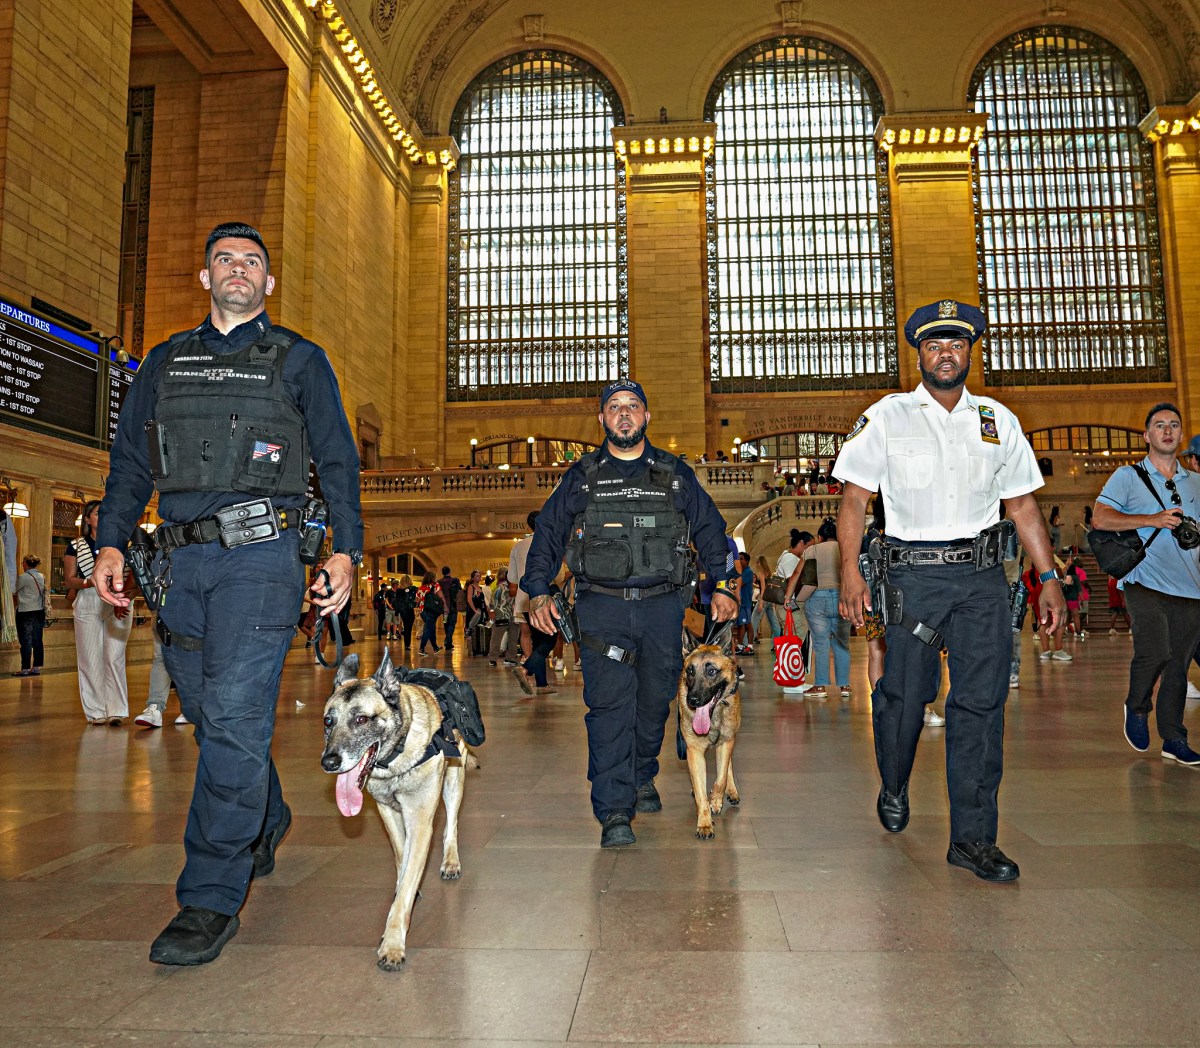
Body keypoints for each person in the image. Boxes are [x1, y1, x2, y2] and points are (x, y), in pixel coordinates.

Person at [91, 222, 362, 966]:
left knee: (237, 720)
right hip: (181, 566)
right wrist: (112, 538)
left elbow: (338, 462)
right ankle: (265, 816)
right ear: (204, 276)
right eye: (223, 260)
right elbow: (128, 464)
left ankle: (208, 898)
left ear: (267, 283)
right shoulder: (164, 362)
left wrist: (347, 551)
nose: (237, 270)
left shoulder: (300, 361)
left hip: (264, 560)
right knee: (211, 719)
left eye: (251, 261)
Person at [835, 299, 1064, 883]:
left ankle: (973, 838)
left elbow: (1022, 505)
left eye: (957, 345)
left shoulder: (995, 419)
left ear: (970, 353)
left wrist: (1050, 577)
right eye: (935, 345)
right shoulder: (888, 415)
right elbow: (855, 499)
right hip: (912, 577)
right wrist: (851, 573)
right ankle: (894, 777)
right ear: (919, 354)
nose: (946, 354)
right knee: (905, 699)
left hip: (982, 580)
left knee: (981, 704)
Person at [523, 379, 739, 848]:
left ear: (646, 418)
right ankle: (614, 809)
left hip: (664, 608)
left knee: (655, 703)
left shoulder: (675, 474)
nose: (624, 415)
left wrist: (723, 585)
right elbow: (549, 534)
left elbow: (711, 531)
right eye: (615, 408)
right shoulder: (581, 476)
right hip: (602, 608)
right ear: (602, 419)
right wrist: (538, 591)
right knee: (609, 708)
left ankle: (642, 775)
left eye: (633, 407)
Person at [1094, 403, 1200, 766]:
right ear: (1147, 435)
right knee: (1155, 650)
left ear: (1181, 435)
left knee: (1178, 666)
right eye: (1159, 425)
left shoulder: (1196, 482)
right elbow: (1101, 518)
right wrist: (1152, 519)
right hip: (1144, 581)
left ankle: (1173, 738)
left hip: (1191, 588)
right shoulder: (1128, 476)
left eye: (1174, 425)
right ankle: (1137, 707)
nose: (1167, 430)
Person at [65, 500, 132, 725]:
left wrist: (124, 598)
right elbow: (69, 580)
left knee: (114, 656)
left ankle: (116, 710)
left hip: (118, 600)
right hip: (89, 599)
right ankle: (96, 711)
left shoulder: (121, 545)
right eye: (96, 513)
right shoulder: (76, 545)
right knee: (90, 657)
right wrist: (92, 582)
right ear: (87, 519)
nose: (101, 517)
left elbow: (132, 577)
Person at [790, 517, 850, 700]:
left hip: (817, 599)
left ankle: (820, 686)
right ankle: (845, 686)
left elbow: (797, 573)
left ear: (820, 536)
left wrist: (788, 597)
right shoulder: (845, 548)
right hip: (842, 599)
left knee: (821, 644)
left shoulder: (812, 549)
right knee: (841, 643)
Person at [13, 553, 47, 676]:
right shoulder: (42, 576)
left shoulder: (23, 578)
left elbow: (14, 590)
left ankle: (25, 668)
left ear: (26, 564)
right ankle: (37, 667)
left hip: (25, 612)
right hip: (39, 611)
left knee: (26, 640)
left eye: (23, 563)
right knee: (37, 639)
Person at [417, 570, 444, 656]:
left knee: (431, 628)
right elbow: (441, 596)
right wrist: (445, 606)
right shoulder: (435, 586)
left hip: (422, 611)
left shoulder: (421, 588)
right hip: (432, 610)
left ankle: (435, 647)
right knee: (428, 629)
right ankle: (421, 649)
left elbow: (417, 600)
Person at [733, 551, 756, 655]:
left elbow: (739, 584)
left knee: (747, 624)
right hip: (739, 602)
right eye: (739, 558)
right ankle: (740, 645)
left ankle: (750, 646)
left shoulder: (747, 572)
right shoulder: (739, 572)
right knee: (740, 625)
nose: (739, 560)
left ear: (746, 561)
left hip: (745, 602)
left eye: (741, 559)